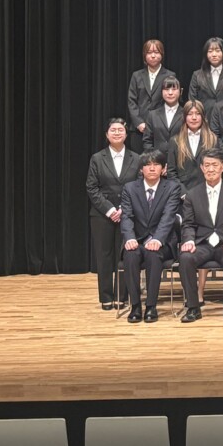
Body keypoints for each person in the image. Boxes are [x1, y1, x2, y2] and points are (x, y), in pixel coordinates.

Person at [178, 148, 223, 323]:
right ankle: (193, 308)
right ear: (201, 168)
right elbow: (188, 224)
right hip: (202, 245)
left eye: (214, 165)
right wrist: (189, 240)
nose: (210, 169)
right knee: (185, 257)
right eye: (207, 165)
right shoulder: (192, 194)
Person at [120, 150, 182, 323]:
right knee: (130, 255)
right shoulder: (130, 188)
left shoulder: (172, 187)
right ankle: (135, 305)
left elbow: (168, 217)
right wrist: (130, 238)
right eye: (148, 165)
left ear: (164, 168)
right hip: (137, 240)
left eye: (156, 164)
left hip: (162, 242)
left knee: (153, 255)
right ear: (141, 169)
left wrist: (157, 239)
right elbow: (126, 216)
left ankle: (151, 306)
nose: (152, 168)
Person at [86, 118, 140, 308]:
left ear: (126, 134)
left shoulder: (136, 158)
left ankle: (121, 296)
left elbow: (138, 186)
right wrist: (109, 210)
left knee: (124, 255)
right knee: (104, 256)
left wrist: (124, 208)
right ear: (107, 135)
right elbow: (92, 188)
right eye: (113, 130)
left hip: (128, 214)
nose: (117, 133)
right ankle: (106, 297)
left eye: (120, 130)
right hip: (102, 215)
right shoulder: (97, 158)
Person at [126, 39, 176, 152]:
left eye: (156, 52)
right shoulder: (137, 75)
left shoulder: (170, 75)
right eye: (149, 53)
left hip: (161, 128)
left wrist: (160, 123)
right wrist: (139, 123)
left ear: (162, 54)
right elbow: (131, 101)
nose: (153, 56)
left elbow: (171, 101)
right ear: (144, 55)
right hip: (139, 129)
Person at [166, 100, 219, 195]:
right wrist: (183, 193)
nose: (194, 118)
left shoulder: (213, 139)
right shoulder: (175, 141)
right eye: (190, 114)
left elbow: (218, 169)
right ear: (184, 117)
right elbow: (171, 173)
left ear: (203, 117)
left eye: (198, 114)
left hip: (208, 193)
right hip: (183, 195)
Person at [188, 36, 223, 119]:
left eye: (217, 51)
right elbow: (192, 99)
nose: (214, 55)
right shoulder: (197, 75)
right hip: (204, 118)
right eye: (210, 51)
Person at [143, 76, 183, 153]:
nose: (170, 93)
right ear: (161, 91)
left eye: (174, 89)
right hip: (157, 159)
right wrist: (153, 158)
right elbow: (147, 141)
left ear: (180, 91)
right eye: (166, 89)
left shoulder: (186, 114)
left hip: (180, 158)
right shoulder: (152, 115)